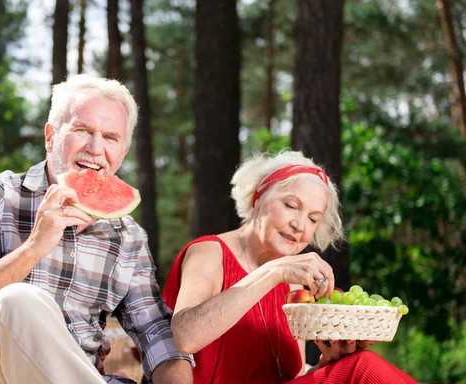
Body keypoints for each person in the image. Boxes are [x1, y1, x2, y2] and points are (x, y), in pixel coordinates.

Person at [0, 74, 193, 384]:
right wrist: (33, 248)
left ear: (124, 152)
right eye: (82, 130)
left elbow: (155, 330)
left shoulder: (127, 235)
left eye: (111, 137)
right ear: (50, 137)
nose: (95, 147)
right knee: (16, 301)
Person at [162, 151, 417, 384]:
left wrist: (323, 367)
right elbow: (185, 337)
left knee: (357, 365)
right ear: (257, 198)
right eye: (291, 206)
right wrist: (274, 272)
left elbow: (292, 376)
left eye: (313, 219)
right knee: (364, 367)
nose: (300, 225)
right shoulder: (209, 252)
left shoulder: (295, 285)